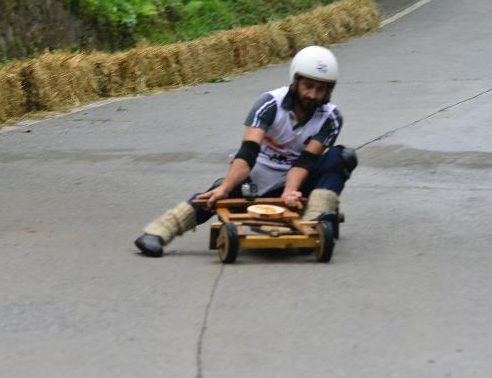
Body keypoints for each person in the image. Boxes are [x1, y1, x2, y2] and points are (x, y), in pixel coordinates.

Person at [134, 45, 358, 257]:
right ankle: (159, 231)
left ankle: (313, 222)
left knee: (342, 157)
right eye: (308, 86)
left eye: (320, 89)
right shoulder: (270, 103)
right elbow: (248, 153)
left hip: (299, 182)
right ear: (296, 81)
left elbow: (306, 161)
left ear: (329, 91)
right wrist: (225, 187)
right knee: (220, 192)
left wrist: (290, 191)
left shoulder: (331, 117)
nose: (312, 95)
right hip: (258, 178)